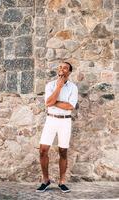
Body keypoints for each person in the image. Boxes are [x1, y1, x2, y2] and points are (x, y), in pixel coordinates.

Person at [36, 62, 78, 193]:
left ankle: (62, 181)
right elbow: (48, 103)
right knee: (43, 150)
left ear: (69, 72)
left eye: (65, 67)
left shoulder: (73, 87)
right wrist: (58, 88)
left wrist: (54, 101)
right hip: (51, 119)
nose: (61, 69)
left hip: (65, 121)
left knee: (63, 151)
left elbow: (70, 106)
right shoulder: (50, 85)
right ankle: (46, 180)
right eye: (60, 67)